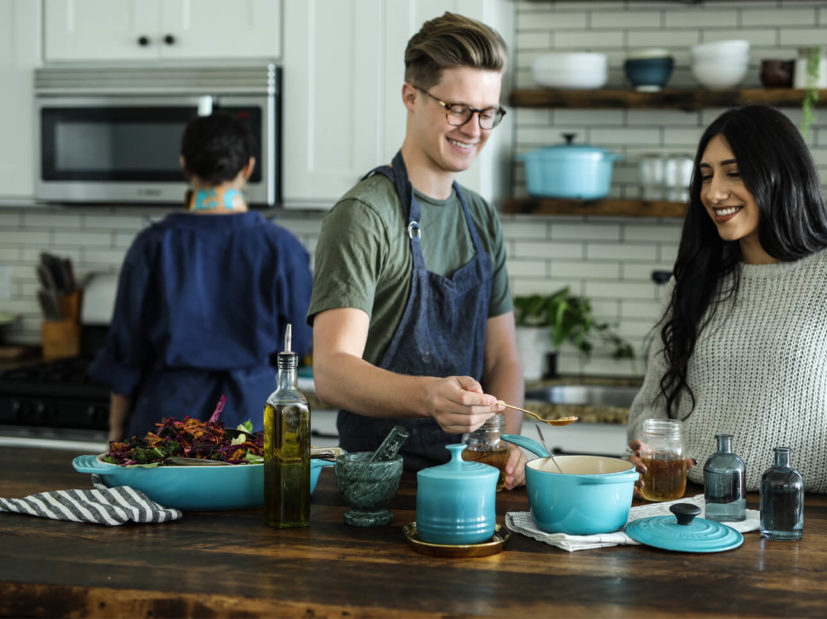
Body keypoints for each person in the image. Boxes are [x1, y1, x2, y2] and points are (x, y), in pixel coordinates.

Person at [626, 105, 827, 537]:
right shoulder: (693, 282)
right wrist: (646, 447)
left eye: (734, 173)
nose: (714, 192)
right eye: (706, 176)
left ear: (781, 175)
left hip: (800, 519)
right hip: (687, 516)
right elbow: (653, 407)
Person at [308, 12, 526, 487]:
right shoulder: (365, 215)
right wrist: (431, 396)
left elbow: (503, 358)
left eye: (487, 112)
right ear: (411, 96)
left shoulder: (481, 217)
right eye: (457, 109)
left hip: (472, 481)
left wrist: (509, 439)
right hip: (381, 489)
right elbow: (331, 371)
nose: (474, 129)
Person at [90, 112, 313, 442]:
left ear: (185, 167)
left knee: (152, 498)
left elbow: (126, 354)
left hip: (166, 423)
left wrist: (115, 432)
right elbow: (303, 343)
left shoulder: (152, 244)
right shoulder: (282, 248)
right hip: (252, 423)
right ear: (249, 168)